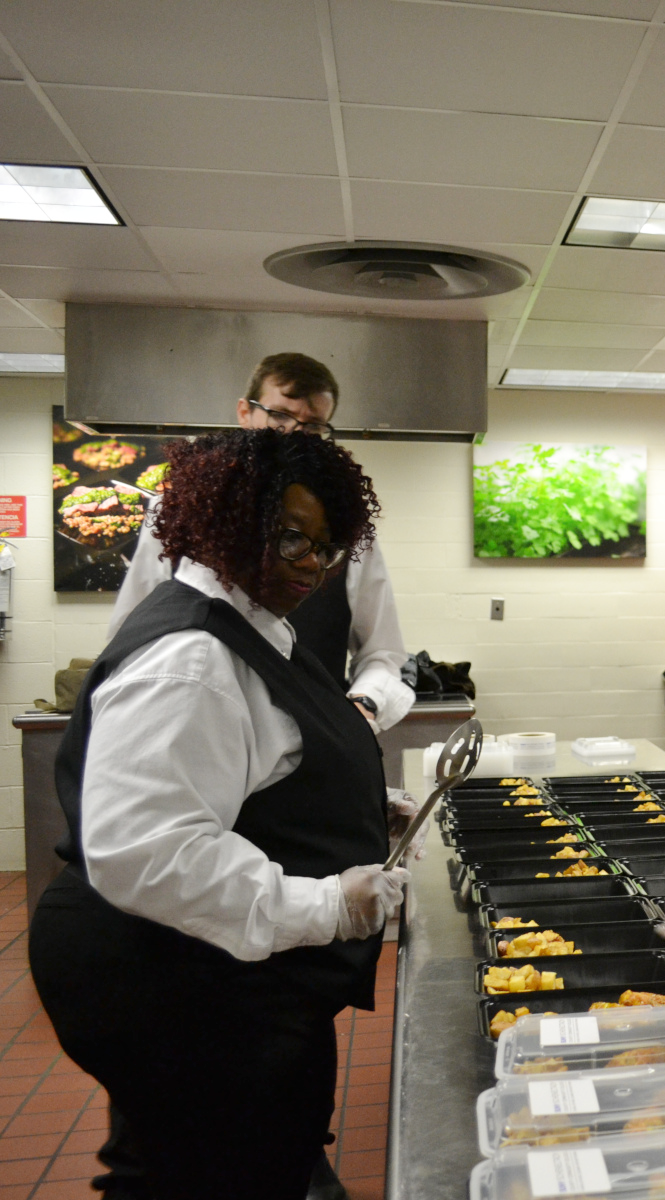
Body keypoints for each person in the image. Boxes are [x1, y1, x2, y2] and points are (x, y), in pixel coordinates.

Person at [29, 429, 413, 1200]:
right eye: (290, 537)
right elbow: (150, 851)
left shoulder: (252, 619)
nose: (311, 564)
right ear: (223, 521)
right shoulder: (191, 654)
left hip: (203, 970)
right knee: (214, 1170)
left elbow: (256, 770)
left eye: (327, 547)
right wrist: (327, 903)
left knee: (203, 1159)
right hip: (170, 978)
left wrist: (360, 807)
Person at [109, 352, 413, 735]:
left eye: (313, 425)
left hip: (313, 750)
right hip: (194, 734)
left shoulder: (343, 532)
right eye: (280, 416)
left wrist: (365, 703)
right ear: (244, 412)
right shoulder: (178, 513)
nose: (294, 434)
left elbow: (383, 654)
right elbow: (129, 636)